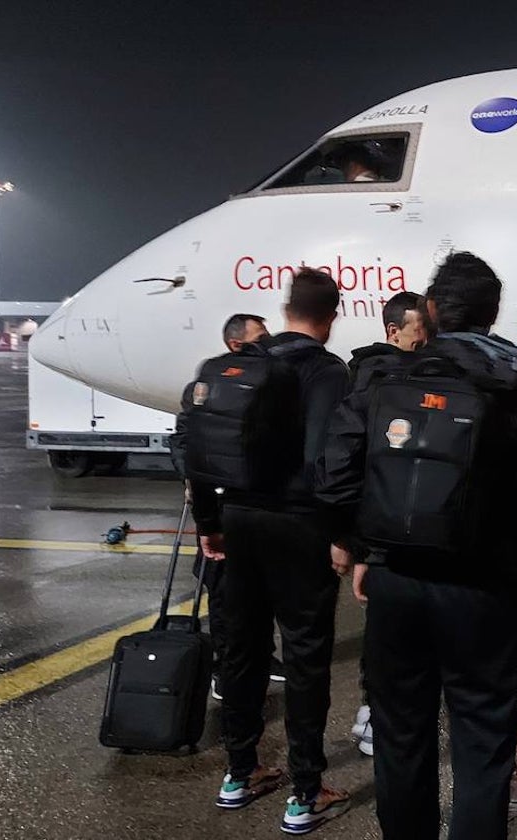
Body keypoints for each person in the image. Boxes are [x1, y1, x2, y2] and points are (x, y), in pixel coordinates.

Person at [317, 252, 517, 840]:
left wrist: (359, 548)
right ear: (493, 313)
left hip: (398, 581)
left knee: (401, 733)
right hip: (483, 586)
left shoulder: (386, 378)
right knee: (483, 739)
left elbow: (332, 478)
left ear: (430, 311)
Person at [189, 268, 351, 834]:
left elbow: (196, 443)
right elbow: (328, 462)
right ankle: (305, 792)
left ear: (285, 311)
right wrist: (340, 535)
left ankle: (240, 771)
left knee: (242, 649)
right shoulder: (329, 372)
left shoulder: (247, 362)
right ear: (331, 317)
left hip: (237, 519)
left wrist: (211, 522)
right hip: (298, 526)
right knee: (305, 658)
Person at [172, 314, 283, 701]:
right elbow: (185, 438)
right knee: (223, 596)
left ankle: (263, 656)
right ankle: (223, 668)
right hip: (219, 504)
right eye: (260, 336)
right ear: (237, 344)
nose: (267, 342)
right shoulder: (209, 384)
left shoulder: (265, 381)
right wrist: (192, 480)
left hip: (254, 503)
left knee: (262, 589)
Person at [345, 289, 429, 757]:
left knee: (393, 632)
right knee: (389, 634)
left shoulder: (365, 379)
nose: (424, 346)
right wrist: (358, 548)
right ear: (393, 331)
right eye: (418, 337)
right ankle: (378, 716)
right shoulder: (371, 382)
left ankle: (381, 714)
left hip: (397, 529)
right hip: (387, 531)